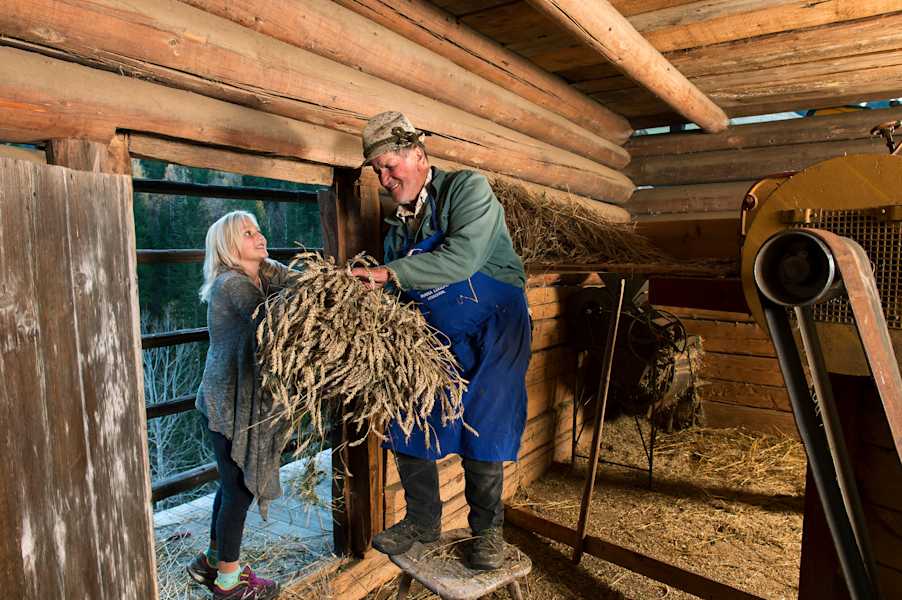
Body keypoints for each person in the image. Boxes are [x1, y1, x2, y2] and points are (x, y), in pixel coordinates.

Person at [351, 112, 532, 570]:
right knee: (409, 412)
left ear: (418, 155)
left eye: (390, 166)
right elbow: (399, 293)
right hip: (439, 336)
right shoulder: (398, 229)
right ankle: (422, 521)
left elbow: (463, 258)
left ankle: (487, 533)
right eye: (378, 171)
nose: (385, 179)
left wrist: (387, 273)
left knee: (483, 427)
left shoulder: (467, 190)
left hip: (494, 329)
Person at [186, 210, 292, 600]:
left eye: (258, 230)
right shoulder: (232, 283)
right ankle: (229, 584)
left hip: (239, 397)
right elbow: (275, 318)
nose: (259, 236)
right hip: (226, 403)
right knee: (239, 490)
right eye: (248, 233)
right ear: (230, 246)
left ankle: (211, 562)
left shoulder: (263, 273)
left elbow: (298, 282)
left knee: (231, 484)